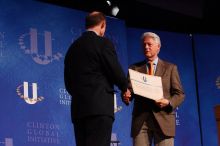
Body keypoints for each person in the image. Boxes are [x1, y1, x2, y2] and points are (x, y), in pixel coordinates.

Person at [64, 11, 131, 146]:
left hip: (79, 111)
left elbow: (68, 83)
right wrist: (125, 87)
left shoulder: (72, 48)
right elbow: (114, 69)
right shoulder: (103, 43)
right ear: (103, 25)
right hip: (99, 109)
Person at [124, 32, 185, 146]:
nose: (146, 47)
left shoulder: (170, 68)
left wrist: (168, 102)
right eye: (144, 45)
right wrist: (127, 96)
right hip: (141, 121)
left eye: (149, 44)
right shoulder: (134, 68)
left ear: (158, 47)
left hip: (164, 120)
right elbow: (130, 92)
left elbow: (179, 94)